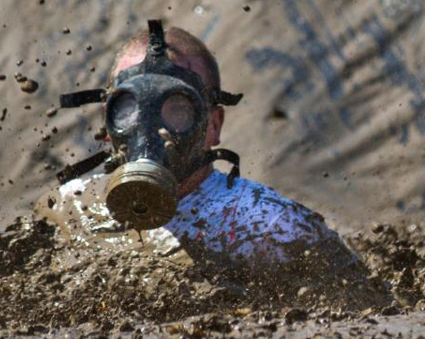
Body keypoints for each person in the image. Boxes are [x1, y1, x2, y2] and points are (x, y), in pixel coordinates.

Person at [36, 21, 387, 308]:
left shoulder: (269, 227)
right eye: (129, 110)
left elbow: (372, 312)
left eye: (176, 109)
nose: (149, 130)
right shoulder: (71, 208)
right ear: (108, 123)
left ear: (213, 125)